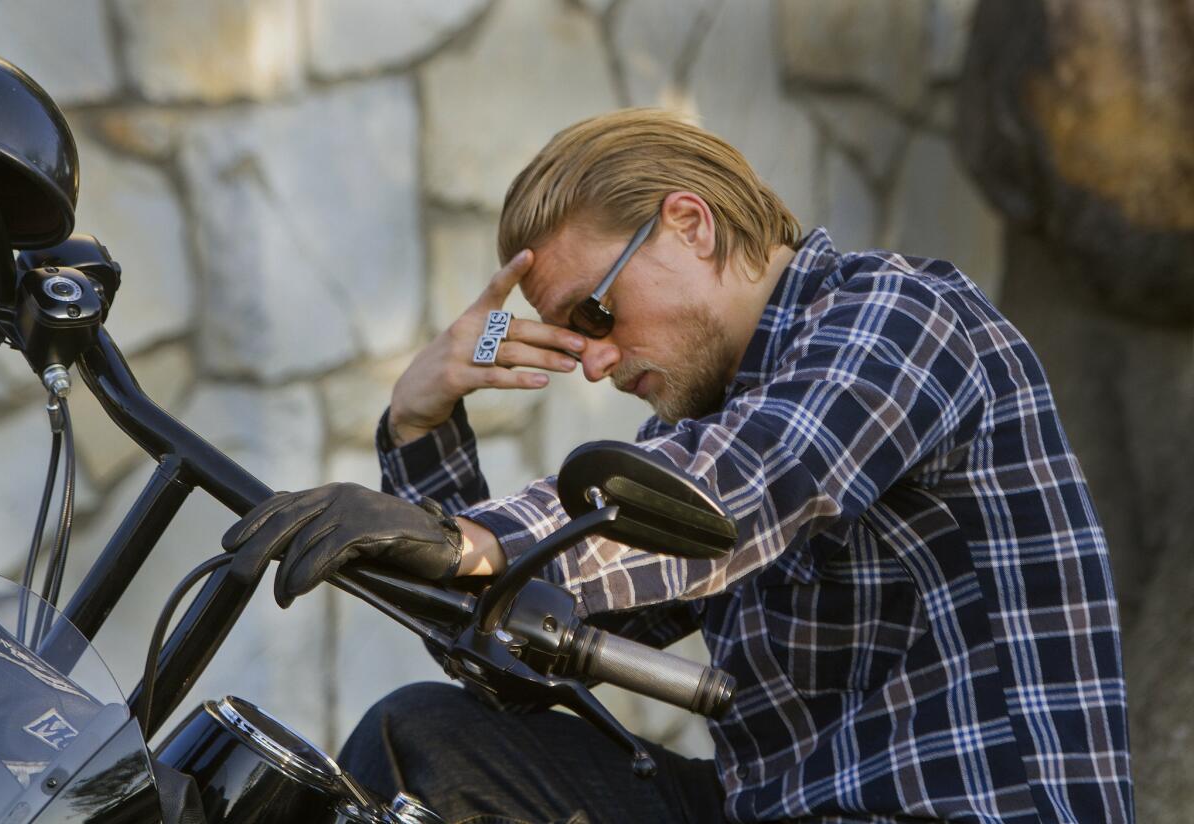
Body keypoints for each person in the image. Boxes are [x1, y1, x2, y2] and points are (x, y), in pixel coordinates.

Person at [223, 109, 1134, 823]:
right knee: (425, 736)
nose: (594, 361)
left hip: (962, 809)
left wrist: (463, 538)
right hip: (782, 808)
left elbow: (754, 485)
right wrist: (422, 426)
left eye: (593, 314)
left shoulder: (905, 312)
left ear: (688, 226)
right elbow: (513, 651)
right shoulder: (701, 425)